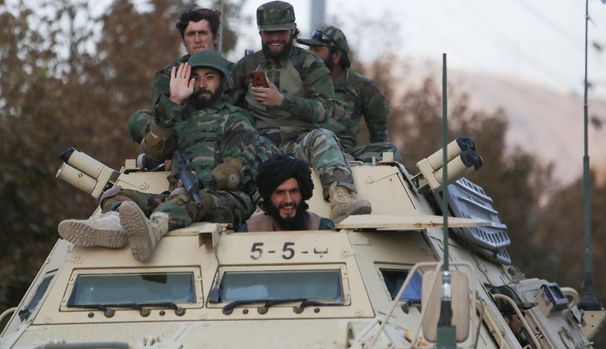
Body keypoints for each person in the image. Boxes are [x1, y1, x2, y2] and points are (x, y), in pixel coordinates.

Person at [58, 51, 261, 262]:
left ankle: (152, 231)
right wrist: (174, 101)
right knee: (117, 195)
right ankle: (112, 226)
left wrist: (205, 179)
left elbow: (237, 168)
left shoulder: (235, 118)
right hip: (177, 197)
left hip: (227, 201)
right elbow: (154, 150)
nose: (202, 84)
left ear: (222, 81)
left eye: (209, 77)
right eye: (196, 78)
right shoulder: (180, 119)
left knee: (186, 201)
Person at [230, 1, 371, 223]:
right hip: (260, 143)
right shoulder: (247, 66)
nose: (275, 38)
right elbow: (228, 108)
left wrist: (284, 101)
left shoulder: (310, 64)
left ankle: (341, 197)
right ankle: (260, 205)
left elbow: (324, 111)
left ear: (292, 30)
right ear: (260, 33)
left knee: (324, 138)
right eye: (269, 33)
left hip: (301, 139)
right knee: (239, 143)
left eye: (281, 32)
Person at [297, 26, 401, 163]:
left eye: (317, 50)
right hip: (306, 150)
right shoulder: (299, 81)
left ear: (336, 56)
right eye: (310, 50)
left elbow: (379, 134)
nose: (310, 55)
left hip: (346, 155)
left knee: (390, 152)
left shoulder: (362, 87)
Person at [128, 6, 226, 143]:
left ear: (216, 38)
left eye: (203, 33)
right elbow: (161, 121)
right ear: (184, 40)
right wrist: (175, 99)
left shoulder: (233, 71)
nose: (197, 40)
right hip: (183, 135)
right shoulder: (169, 75)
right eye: (191, 34)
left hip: (225, 132)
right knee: (139, 119)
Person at [240, 155, 334, 231]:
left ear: (302, 193)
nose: (288, 200)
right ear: (269, 195)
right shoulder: (250, 230)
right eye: (280, 193)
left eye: (294, 191)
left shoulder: (321, 228)